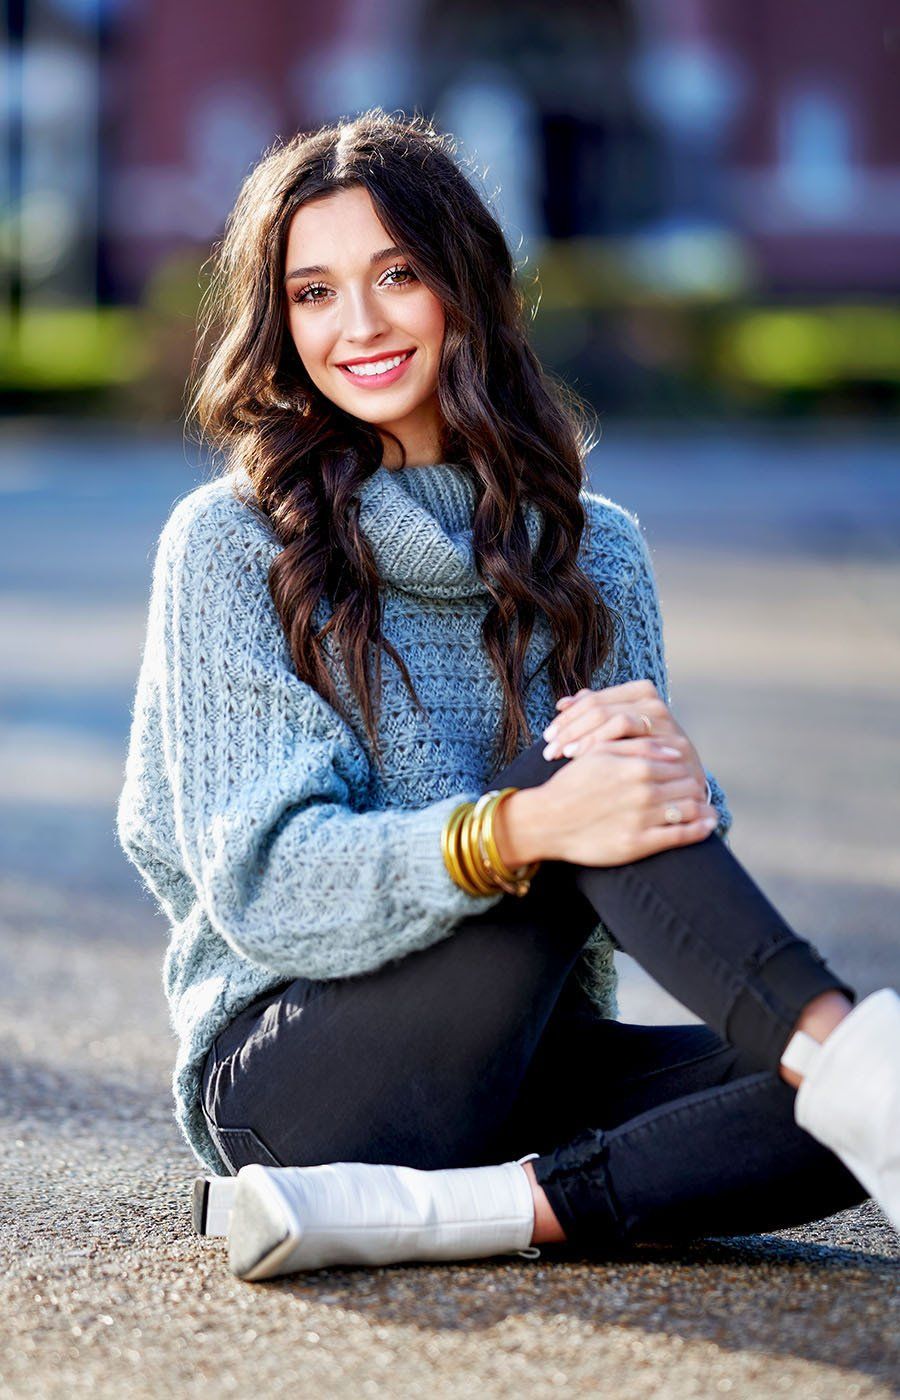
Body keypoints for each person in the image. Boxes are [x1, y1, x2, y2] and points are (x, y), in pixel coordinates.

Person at [116, 109, 900, 1283]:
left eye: (397, 274)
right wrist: (521, 824)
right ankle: (853, 1057)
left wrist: (679, 776)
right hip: (301, 1073)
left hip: (526, 1062)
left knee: (819, 1112)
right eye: (314, 291)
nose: (360, 323)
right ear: (277, 320)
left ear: (465, 288)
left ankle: (489, 1207)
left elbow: (650, 866)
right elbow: (267, 887)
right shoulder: (227, 545)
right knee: (602, 799)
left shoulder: (598, 551)